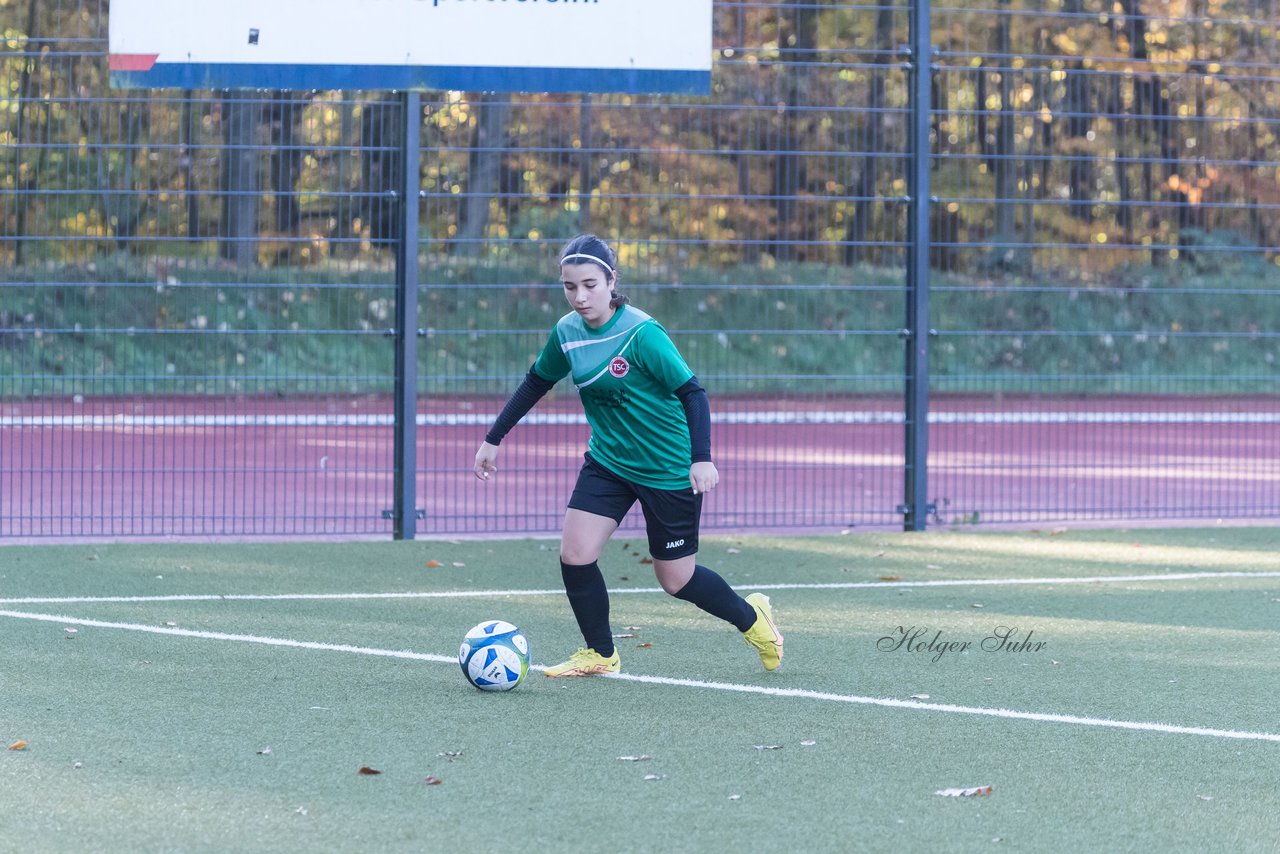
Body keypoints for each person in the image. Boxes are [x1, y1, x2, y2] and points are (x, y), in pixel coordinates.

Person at [473, 233, 784, 677]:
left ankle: (755, 622)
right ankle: (601, 654)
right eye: (569, 286)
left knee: (676, 579)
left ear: (611, 281)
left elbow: (692, 393)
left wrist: (702, 457)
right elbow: (536, 382)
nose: (580, 297)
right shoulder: (566, 332)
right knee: (575, 554)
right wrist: (493, 438)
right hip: (609, 463)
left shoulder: (641, 333)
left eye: (590, 285)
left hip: (667, 467)